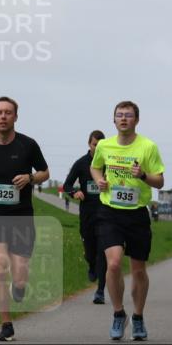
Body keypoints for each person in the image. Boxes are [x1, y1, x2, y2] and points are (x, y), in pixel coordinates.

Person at [0, 97, 50, 342]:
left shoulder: (28, 145)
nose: (3, 116)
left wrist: (30, 178)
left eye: (8, 112)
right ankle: (6, 325)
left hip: (21, 216)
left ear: (16, 116)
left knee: (19, 274)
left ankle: (19, 286)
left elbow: (45, 172)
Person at [90, 100, 165, 341]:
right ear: (114, 120)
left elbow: (160, 181)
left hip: (137, 213)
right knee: (113, 264)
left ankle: (139, 317)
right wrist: (99, 180)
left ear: (137, 120)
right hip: (109, 212)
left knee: (138, 271)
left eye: (128, 115)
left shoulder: (148, 147)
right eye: (119, 115)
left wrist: (142, 175)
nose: (123, 118)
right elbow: (95, 167)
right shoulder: (104, 145)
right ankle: (118, 313)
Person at [63, 130, 108, 304]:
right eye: (95, 144)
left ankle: (100, 291)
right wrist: (75, 192)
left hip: (105, 214)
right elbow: (67, 184)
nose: (97, 148)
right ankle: (91, 264)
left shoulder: (109, 163)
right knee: (90, 252)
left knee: (102, 253)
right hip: (87, 214)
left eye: (100, 145)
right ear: (89, 144)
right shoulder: (81, 163)